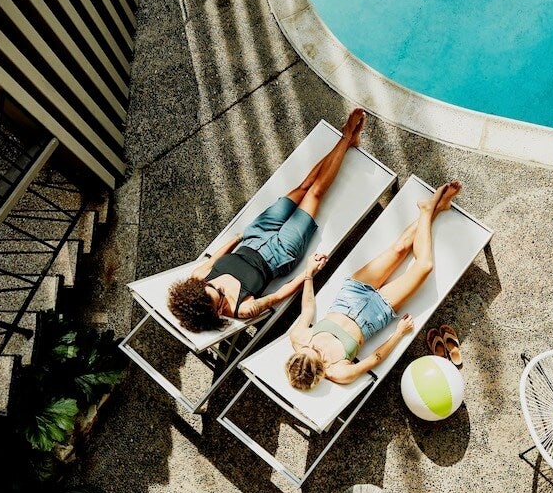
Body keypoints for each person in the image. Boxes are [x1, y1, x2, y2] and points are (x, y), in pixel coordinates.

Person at [167, 109, 367, 332]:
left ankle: (347, 141)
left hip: (255, 235)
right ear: (216, 312)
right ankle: (347, 136)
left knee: (304, 186)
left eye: (215, 289)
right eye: (221, 298)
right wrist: (309, 272)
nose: (221, 290)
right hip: (281, 253)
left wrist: (239, 237)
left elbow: (215, 258)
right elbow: (279, 295)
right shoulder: (242, 309)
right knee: (315, 193)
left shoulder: (199, 277)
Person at [285, 180, 462, 389]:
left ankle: (434, 209)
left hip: (351, 295)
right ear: (320, 371)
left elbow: (307, 309)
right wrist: (398, 333)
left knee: (399, 248)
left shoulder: (298, 338)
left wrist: (308, 274)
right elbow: (374, 359)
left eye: (311, 347)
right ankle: (429, 209)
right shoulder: (339, 372)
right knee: (424, 266)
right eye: (318, 354)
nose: (317, 347)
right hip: (377, 312)